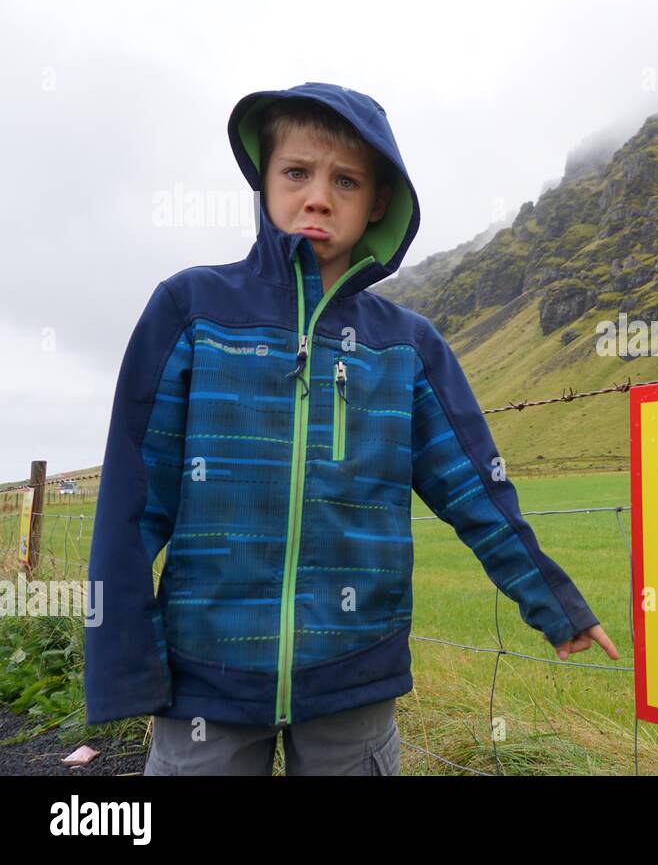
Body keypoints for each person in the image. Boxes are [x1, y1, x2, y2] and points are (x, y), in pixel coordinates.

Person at [85, 82, 618, 775]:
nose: (318, 197)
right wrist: (125, 660)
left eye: (346, 181)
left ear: (377, 206)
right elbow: (132, 495)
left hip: (354, 678)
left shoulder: (407, 348)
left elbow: (474, 488)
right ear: (265, 182)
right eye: (297, 173)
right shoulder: (192, 311)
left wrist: (552, 600)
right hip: (205, 678)